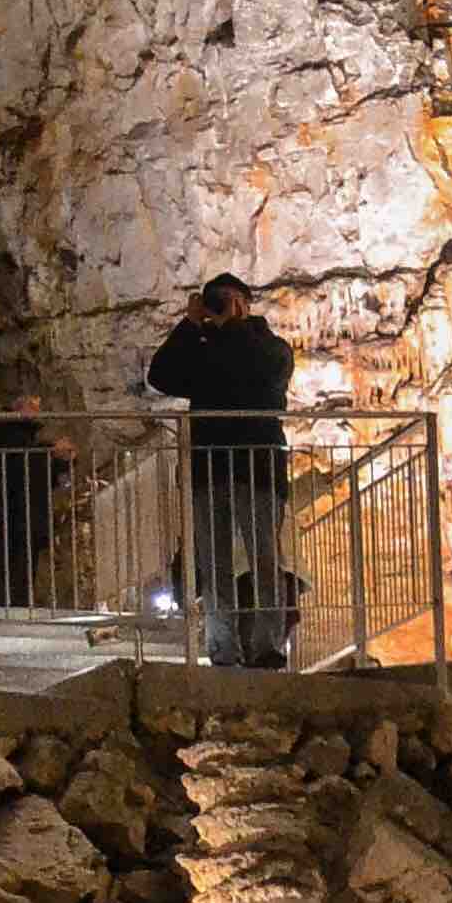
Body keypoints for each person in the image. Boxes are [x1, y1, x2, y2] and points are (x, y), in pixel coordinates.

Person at [148, 275, 297, 668]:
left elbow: (264, 373)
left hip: (257, 470)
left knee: (265, 560)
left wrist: (237, 328)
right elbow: (160, 377)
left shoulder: (269, 346)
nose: (223, 307)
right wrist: (189, 326)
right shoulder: (202, 349)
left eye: (231, 300)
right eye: (219, 301)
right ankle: (223, 648)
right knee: (213, 566)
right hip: (209, 470)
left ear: (247, 304)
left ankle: (268, 646)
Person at [0, 394, 69, 607]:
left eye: (38, 406)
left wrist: (61, 462)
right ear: (17, 405)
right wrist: (51, 452)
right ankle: (5, 606)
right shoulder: (2, 431)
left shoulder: (29, 438)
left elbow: (43, 476)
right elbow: (14, 466)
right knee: (10, 562)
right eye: (31, 405)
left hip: (29, 510)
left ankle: (18, 604)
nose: (36, 410)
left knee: (25, 563)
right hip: (12, 508)